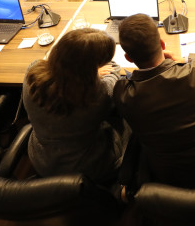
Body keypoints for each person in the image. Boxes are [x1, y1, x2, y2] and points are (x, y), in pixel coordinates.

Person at [113, 14, 195, 189]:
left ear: (128, 58)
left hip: (166, 175)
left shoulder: (123, 94)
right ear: (162, 44)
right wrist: (185, 59)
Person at [23, 28, 130, 185]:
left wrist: (88, 69)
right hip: (88, 167)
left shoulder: (31, 74)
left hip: (42, 160)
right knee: (130, 116)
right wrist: (96, 72)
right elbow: (113, 71)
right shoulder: (97, 95)